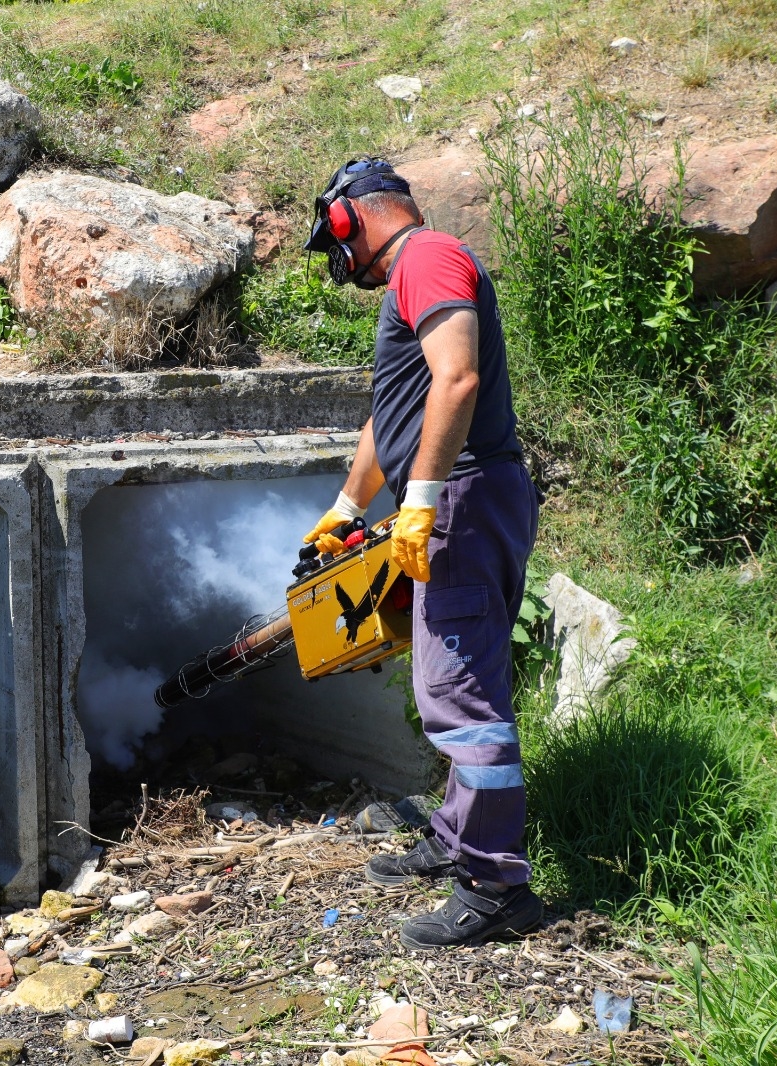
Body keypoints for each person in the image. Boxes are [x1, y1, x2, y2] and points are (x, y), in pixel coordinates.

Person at [299, 159, 542, 949]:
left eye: (332, 241)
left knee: (460, 692)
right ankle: (457, 835)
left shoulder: (428, 258)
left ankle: (496, 885)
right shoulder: (414, 274)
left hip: (463, 501)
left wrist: (423, 502)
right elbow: (392, 416)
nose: (337, 261)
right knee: (453, 673)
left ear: (351, 220)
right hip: (454, 501)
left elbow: (458, 379)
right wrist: (345, 510)